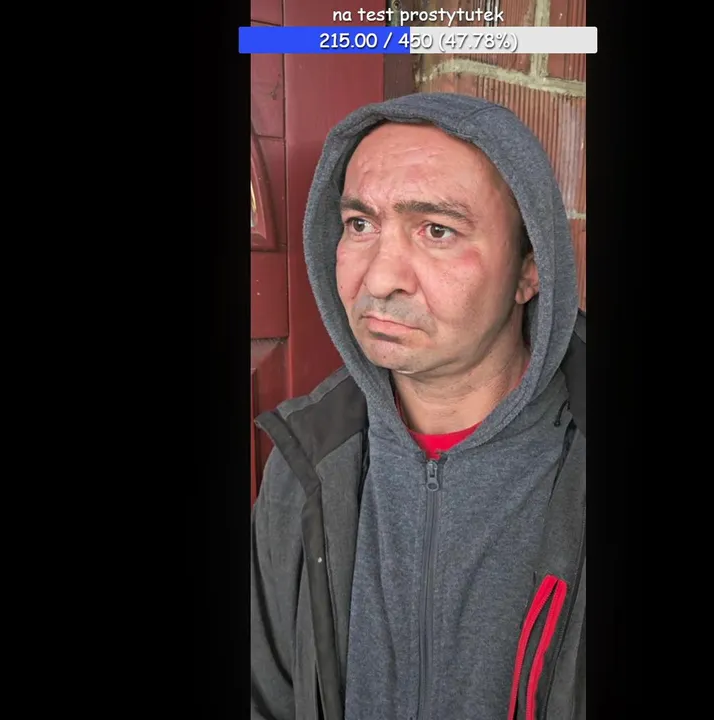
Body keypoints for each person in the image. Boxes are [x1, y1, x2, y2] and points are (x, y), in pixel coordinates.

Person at [249, 92, 586, 720]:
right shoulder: (305, 464)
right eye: (360, 225)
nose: (379, 280)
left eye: (437, 230)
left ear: (529, 269)